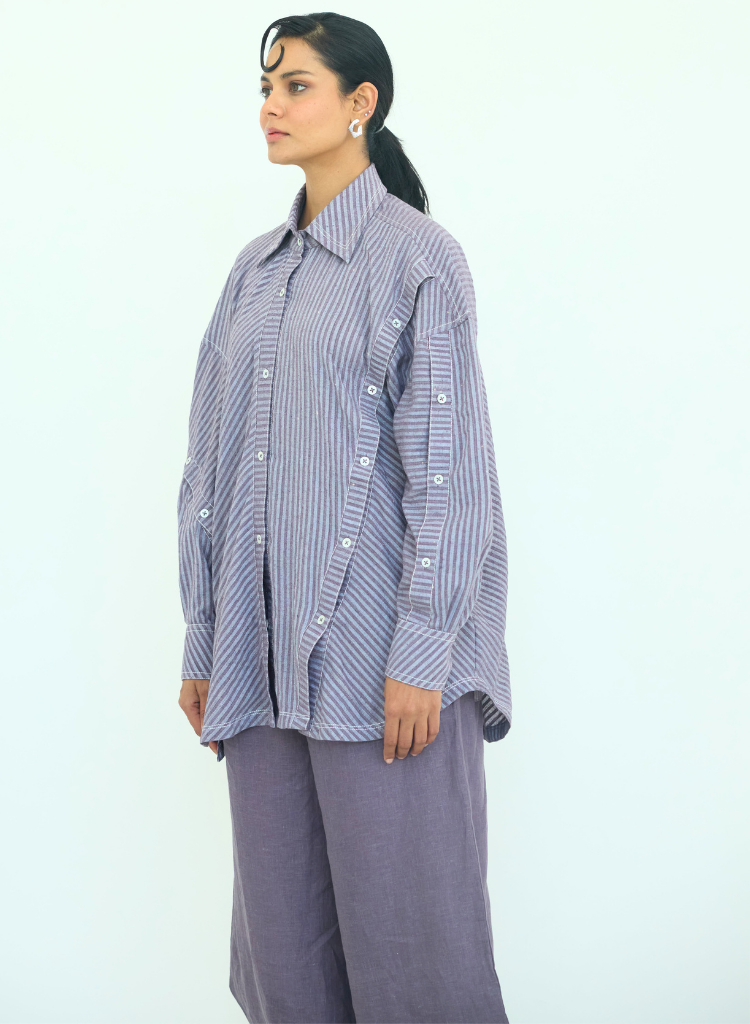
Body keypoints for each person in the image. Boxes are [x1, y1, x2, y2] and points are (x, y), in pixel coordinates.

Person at [177, 13, 513, 1023]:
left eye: (297, 86)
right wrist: (205, 638)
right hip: (260, 668)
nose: (271, 107)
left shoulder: (418, 259)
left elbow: (451, 475)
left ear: (361, 103)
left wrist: (421, 650)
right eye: (266, 87)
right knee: (287, 962)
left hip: (386, 673)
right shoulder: (255, 271)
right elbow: (209, 470)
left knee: (416, 960)